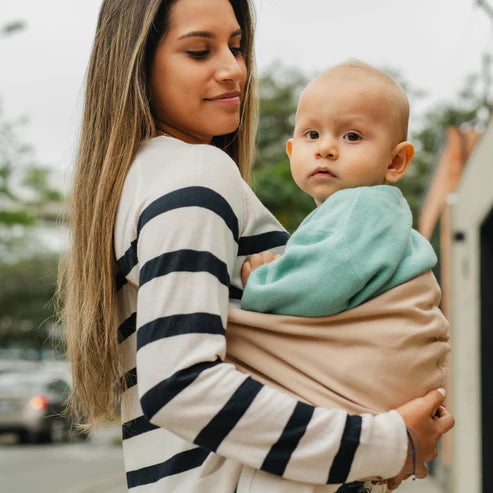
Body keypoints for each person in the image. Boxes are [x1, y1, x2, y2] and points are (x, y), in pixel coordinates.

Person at [60, 2, 454, 493]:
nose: (233, 70)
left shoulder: (134, 183)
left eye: (237, 46)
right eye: (200, 51)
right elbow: (180, 385)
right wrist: (389, 443)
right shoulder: (194, 174)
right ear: (137, 64)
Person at [227, 62, 451, 491]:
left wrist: (263, 285)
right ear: (293, 151)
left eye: (351, 136)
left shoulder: (361, 208)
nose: (327, 148)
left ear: (396, 160)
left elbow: (322, 284)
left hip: (368, 380)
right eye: (312, 135)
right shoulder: (362, 212)